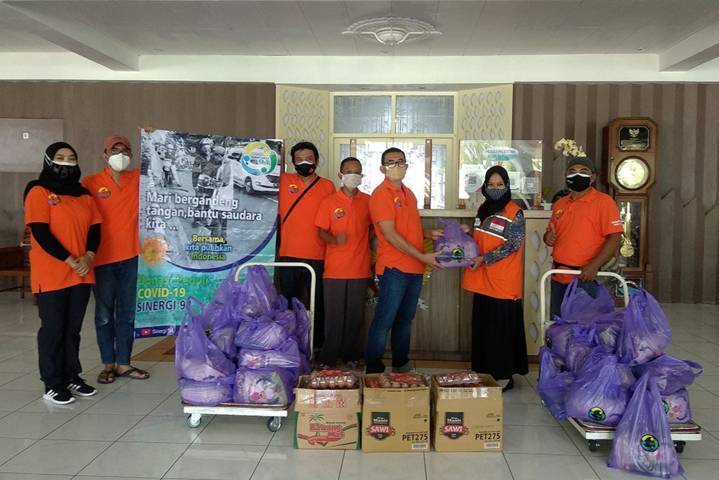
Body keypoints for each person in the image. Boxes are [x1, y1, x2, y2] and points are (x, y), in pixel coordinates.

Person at [23, 142, 102, 404]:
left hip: (81, 273)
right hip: (53, 273)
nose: (66, 162)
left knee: (72, 330)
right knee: (53, 329)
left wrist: (89, 256)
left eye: (71, 158)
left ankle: (71, 376)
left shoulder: (84, 195)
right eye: (60, 157)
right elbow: (40, 232)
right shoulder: (38, 191)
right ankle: (52, 383)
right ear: (48, 160)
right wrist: (70, 260)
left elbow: (95, 230)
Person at [365, 147, 442, 374]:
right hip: (394, 268)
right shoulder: (381, 195)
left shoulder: (409, 193)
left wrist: (430, 234)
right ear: (382, 168)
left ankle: (401, 364)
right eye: (391, 162)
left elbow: (409, 229)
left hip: (414, 268)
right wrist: (422, 256)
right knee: (384, 320)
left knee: (404, 320)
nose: (396, 166)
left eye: (400, 162)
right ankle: (374, 369)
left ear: (407, 166)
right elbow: (389, 234)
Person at [82, 135, 149, 384]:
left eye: (125, 150)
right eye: (115, 150)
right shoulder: (90, 183)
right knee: (103, 314)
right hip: (101, 260)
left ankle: (123, 363)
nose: (120, 154)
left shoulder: (138, 179)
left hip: (132, 257)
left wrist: (152, 135)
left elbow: (163, 160)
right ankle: (107, 364)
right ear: (105, 154)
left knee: (128, 314)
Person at [462, 166, 528, 391]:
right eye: (491, 185)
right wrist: (466, 232)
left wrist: (486, 258)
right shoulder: (483, 209)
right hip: (482, 279)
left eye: (500, 185)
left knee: (501, 330)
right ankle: (483, 371)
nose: (496, 189)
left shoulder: (515, 211)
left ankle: (503, 376)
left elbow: (513, 244)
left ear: (508, 186)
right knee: (484, 328)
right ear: (485, 187)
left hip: (502, 280)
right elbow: (480, 237)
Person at [544, 156, 623, 319]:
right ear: (566, 176)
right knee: (558, 329)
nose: (577, 175)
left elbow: (615, 238)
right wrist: (548, 237)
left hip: (587, 279)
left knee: (586, 332)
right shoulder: (560, 204)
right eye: (572, 171)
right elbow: (549, 235)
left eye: (583, 171)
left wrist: (594, 266)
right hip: (558, 276)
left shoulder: (604, 203)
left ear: (593, 177)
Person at [315, 157, 371, 369]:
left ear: (362, 176)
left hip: (360, 267)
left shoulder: (368, 201)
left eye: (357, 172)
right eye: (349, 171)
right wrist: (334, 240)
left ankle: (351, 356)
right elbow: (321, 231)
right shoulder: (329, 202)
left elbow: (375, 228)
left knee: (355, 316)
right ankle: (328, 358)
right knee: (334, 316)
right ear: (340, 175)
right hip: (335, 270)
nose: (353, 175)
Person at [278, 141, 335, 350]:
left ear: (317, 161)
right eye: (299, 159)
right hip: (288, 254)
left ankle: (317, 347)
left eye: (309, 158)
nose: (304, 162)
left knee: (317, 304)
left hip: (318, 255)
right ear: (292, 161)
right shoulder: (282, 181)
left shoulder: (327, 186)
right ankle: (288, 346)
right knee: (288, 304)